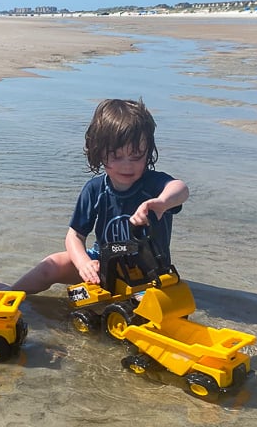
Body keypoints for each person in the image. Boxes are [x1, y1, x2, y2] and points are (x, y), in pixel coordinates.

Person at [12, 98, 189, 294]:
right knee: (50, 266)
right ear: (98, 152)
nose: (127, 165)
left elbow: (180, 189)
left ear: (148, 153)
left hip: (149, 274)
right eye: (116, 156)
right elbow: (74, 236)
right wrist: (84, 263)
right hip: (103, 267)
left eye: (136, 156)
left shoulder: (154, 186)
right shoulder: (95, 189)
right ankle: (11, 295)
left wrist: (163, 202)